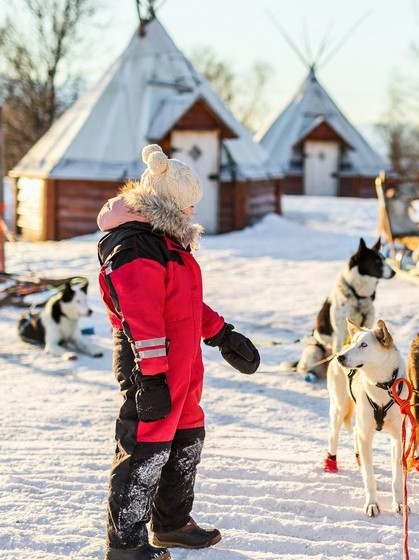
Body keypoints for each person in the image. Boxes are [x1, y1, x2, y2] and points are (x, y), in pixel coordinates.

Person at [97, 144, 260, 560]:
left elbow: (183, 305)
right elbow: (142, 317)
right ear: (166, 204)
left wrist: (223, 334)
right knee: (146, 448)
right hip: (151, 364)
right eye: (187, 206)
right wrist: (150, 378)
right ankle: (126, 544)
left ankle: (171, 524)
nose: (193, 214)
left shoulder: (167, 244)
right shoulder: (135, 246)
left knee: (186, 439)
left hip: (183, 364)